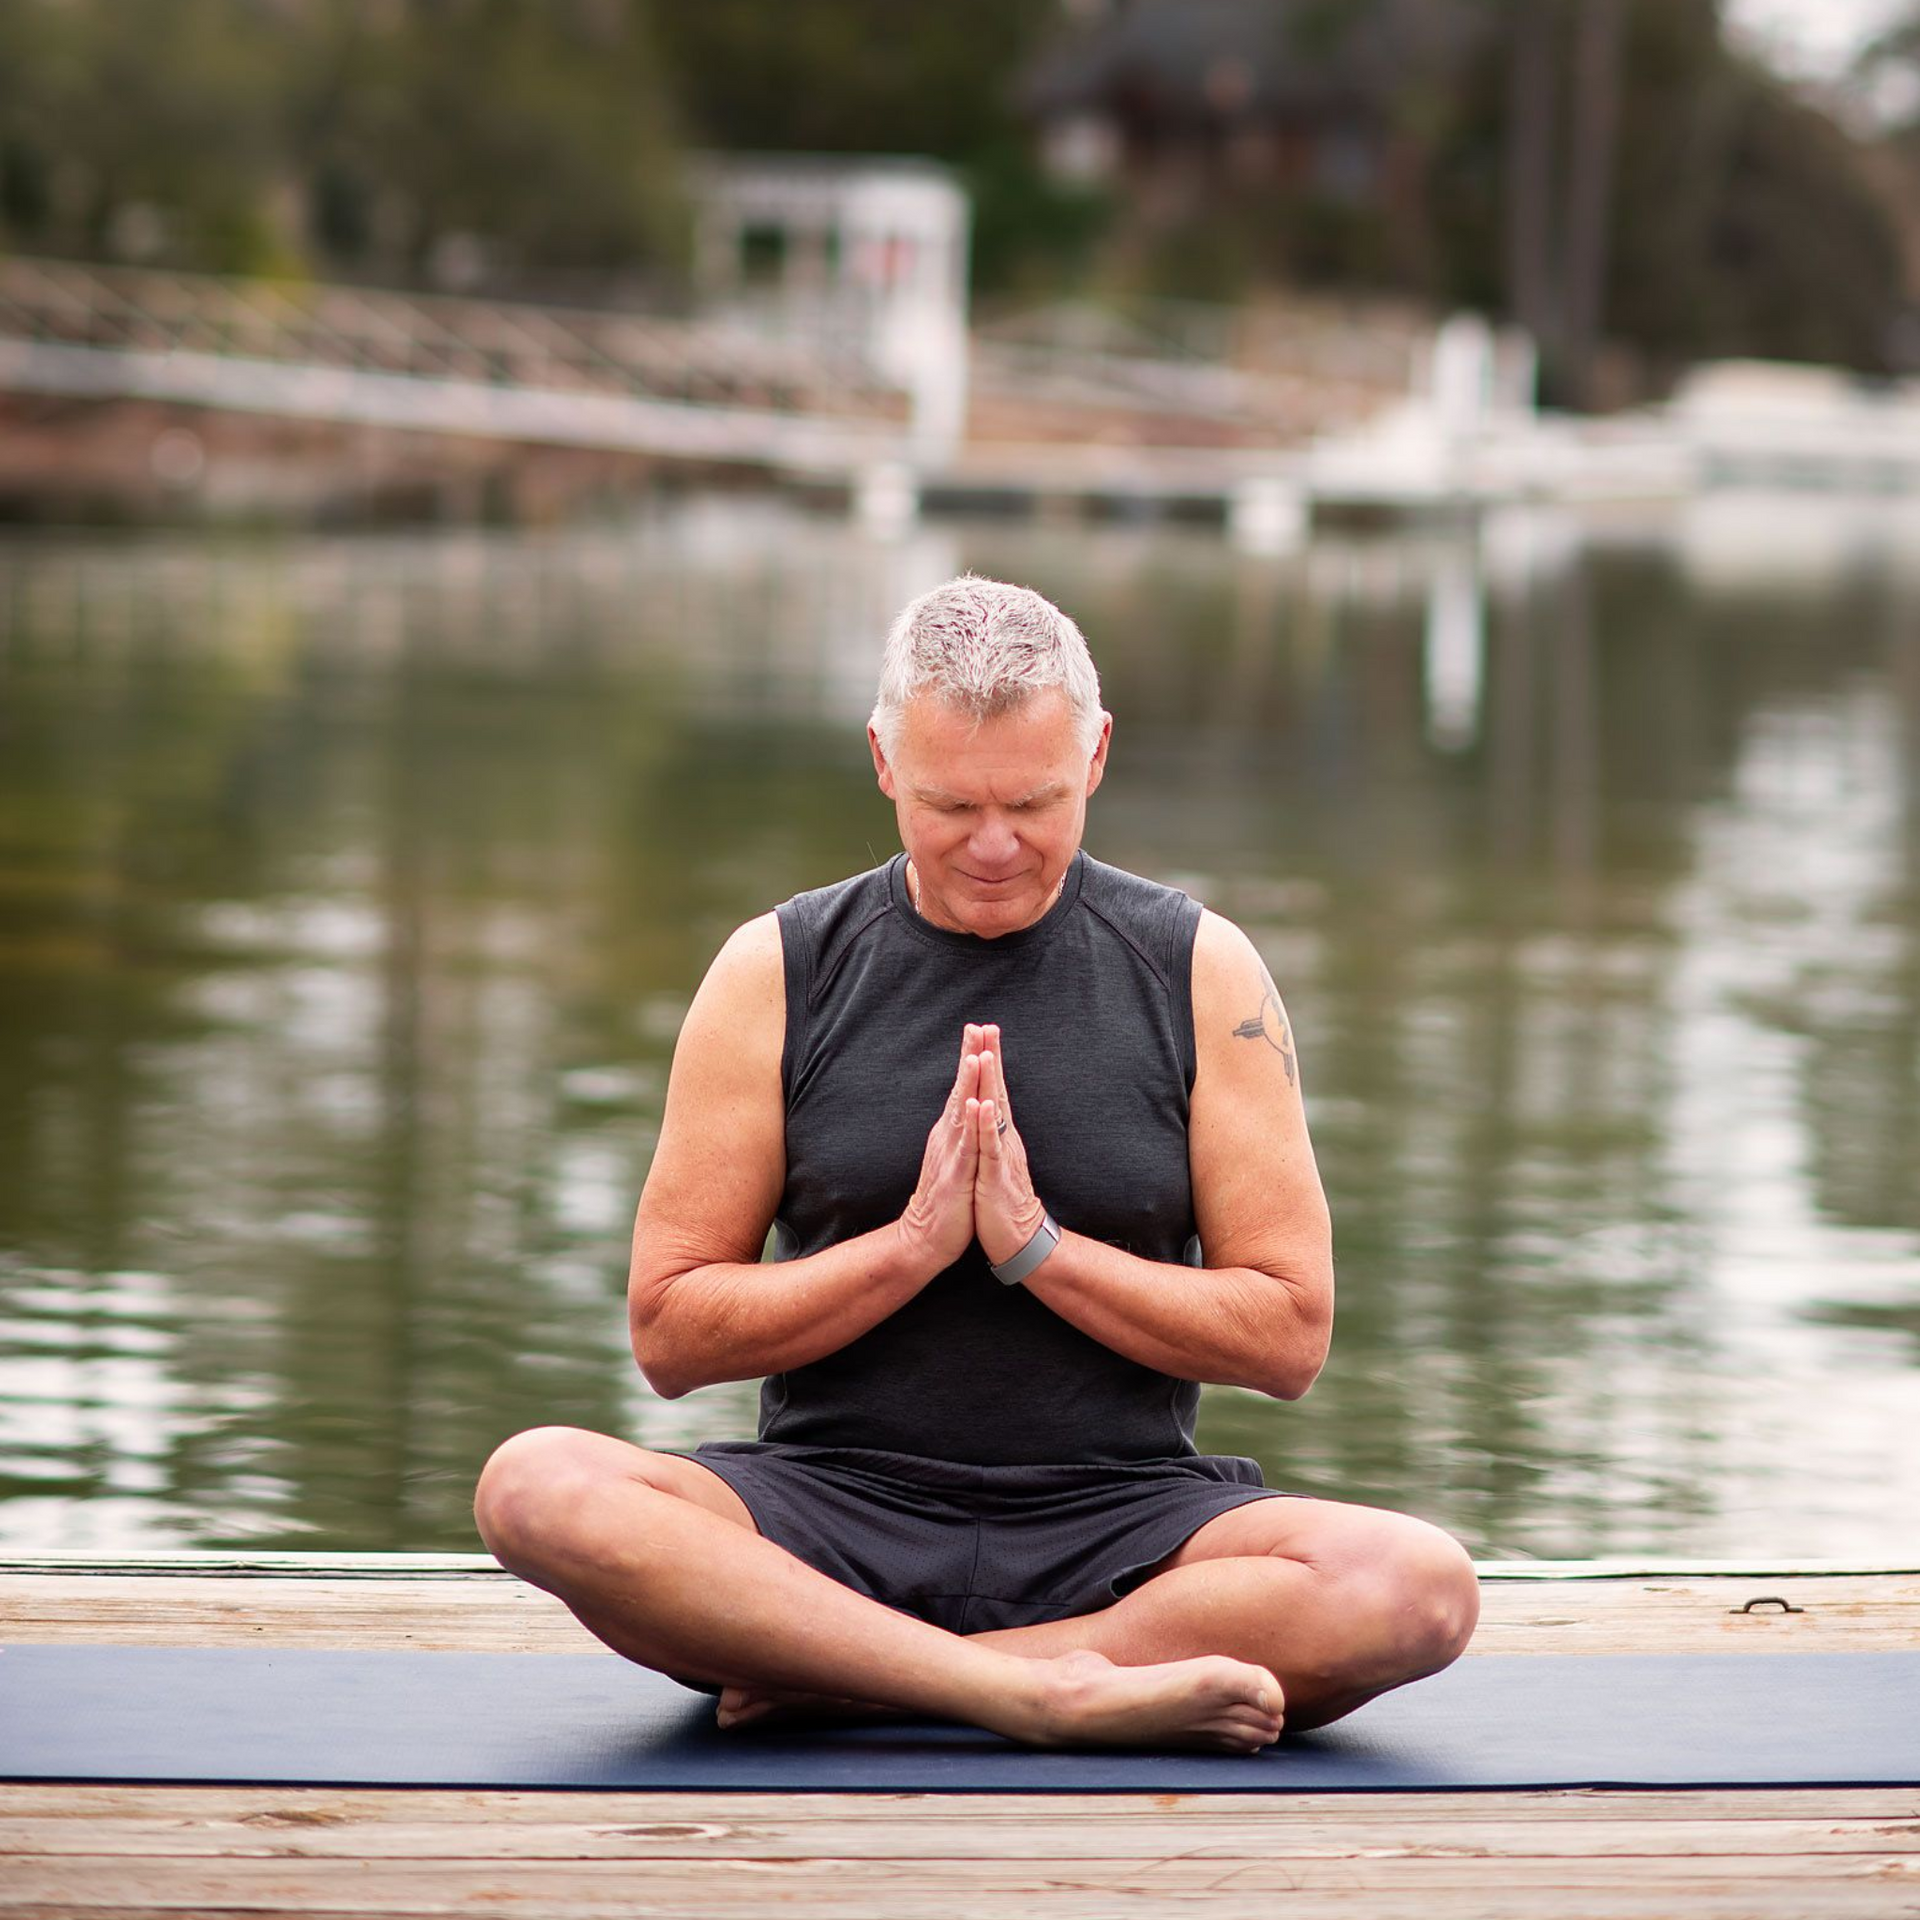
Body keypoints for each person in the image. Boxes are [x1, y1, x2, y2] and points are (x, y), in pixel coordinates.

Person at [474, 575, 1478, 1754]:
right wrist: (908, 1251)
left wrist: (1037, 1251)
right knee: (535, 1486)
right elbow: (671, 1334)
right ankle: (1030, 1693)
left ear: (1096, 757)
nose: (995, 845)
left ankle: (859, 1678)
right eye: (952, 803)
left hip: (1121, 1529)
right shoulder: (776, 970)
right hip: (827, 1517)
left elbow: (1289, 1336)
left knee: (1420, 1587)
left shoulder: (1201, 970)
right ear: (885, 762)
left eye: (1035, 802)